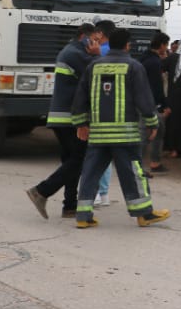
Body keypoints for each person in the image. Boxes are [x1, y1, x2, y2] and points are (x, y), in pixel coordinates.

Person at [71, 28, 169, 228]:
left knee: (90, 172)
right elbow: (144, 98)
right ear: (127, 45)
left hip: (98, 134)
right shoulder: (133, 66)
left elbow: (80, 97)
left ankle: (83, 216)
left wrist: (81, 123)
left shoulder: (94, 66)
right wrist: (152, 123)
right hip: (125, 135)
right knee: (134, 173)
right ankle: (144, 214)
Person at [27, 23, 101, 218]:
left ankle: (69, 205)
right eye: (94, 39)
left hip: (63, 116)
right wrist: (96, 54)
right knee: (79, 159)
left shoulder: (70, 51)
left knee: (71, 161)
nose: (96, 43)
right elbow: (100, 71)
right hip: (69, 117)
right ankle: (42, 191)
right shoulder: (77, 54)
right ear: (85, 37)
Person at [140, 33, 172, 173]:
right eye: (166, 45)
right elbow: (157, 86)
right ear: (162, 45)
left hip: (141, 100)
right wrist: (163, 105)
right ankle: (141, 166)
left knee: (155, 131)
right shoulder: (154, 62)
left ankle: (154, 162)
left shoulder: (144, 58)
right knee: (148, 133)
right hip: (150, 103)